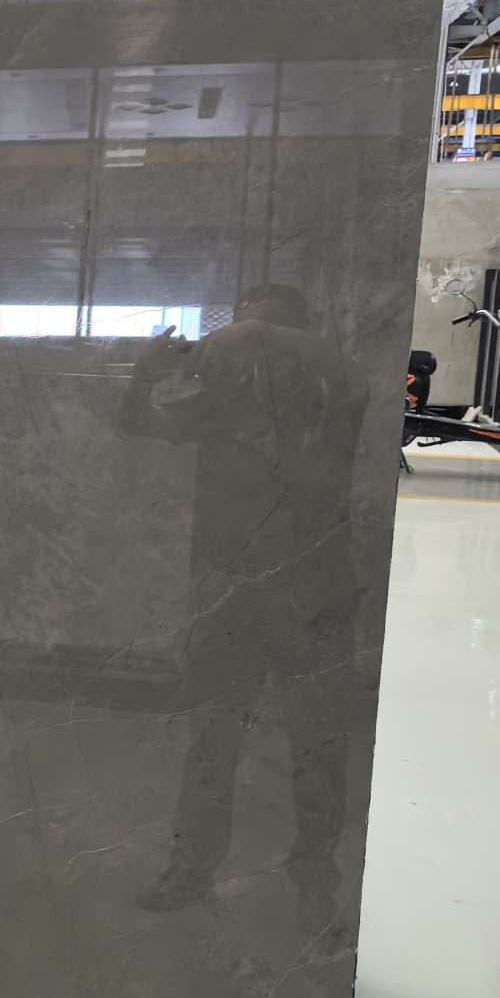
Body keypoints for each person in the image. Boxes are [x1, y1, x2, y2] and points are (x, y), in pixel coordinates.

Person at [118, 284, 369, 925]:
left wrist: (151, 370)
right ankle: (309, 882)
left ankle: (200, 870)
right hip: (307, 585)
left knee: (220, 739)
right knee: (306, 744)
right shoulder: (334, 381)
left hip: (253, 587)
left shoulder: (251, 382)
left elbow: (138, 419)